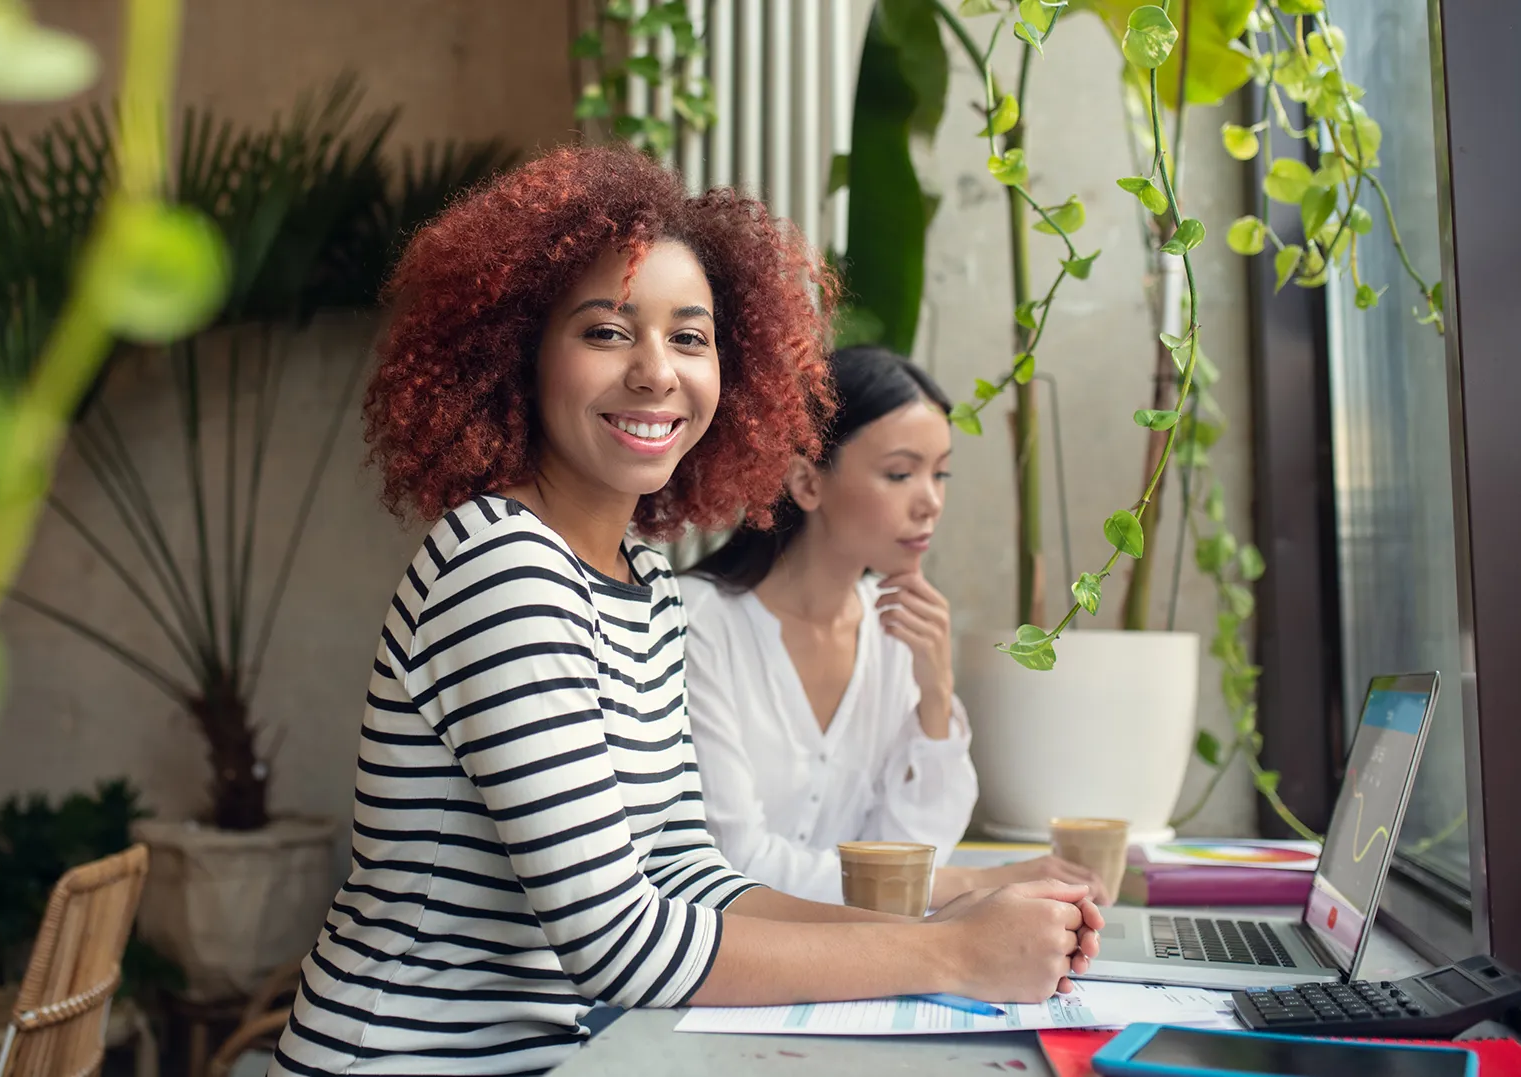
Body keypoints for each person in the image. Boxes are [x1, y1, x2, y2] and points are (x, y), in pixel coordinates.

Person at [268, 147, 1101, 1077]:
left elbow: (683, 876)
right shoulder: (500, 567)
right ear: (519, 355)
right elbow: (616, 942)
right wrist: (950, 953)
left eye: (691, 337)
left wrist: (952, 916)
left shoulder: (644, 579)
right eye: (606, 332)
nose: (657, 372)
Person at [682, 346, 1111, 910]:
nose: (931, 502)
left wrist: (935, 694)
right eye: (901, 473)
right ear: (807, 483)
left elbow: (910, 853)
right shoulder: (698, 624)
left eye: (941, 473)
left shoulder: (895, 631)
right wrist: (979, 881)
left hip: (856, 975)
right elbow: (733, 864)